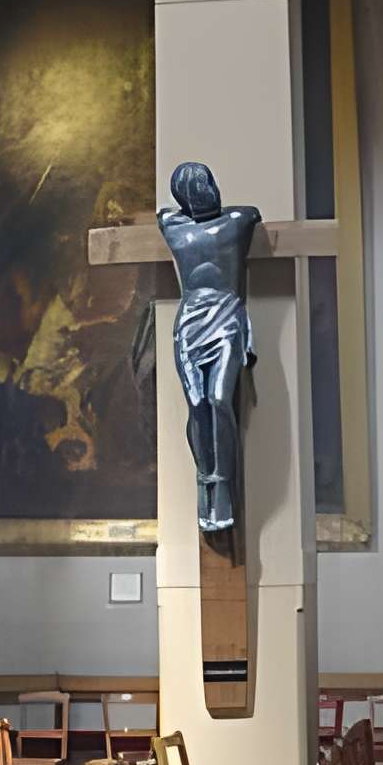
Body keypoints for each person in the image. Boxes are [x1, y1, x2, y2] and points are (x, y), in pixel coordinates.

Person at [157, 161, 259, 536]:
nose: (204, 191)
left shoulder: (237, 221)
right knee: (197, 403)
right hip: (189, 324)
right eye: (194, 187)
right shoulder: (172, 226)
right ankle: (205, 482)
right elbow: (162, 214)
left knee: (218, 400)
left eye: (205, 183)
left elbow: (253, 214)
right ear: (183, 196)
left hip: (227, 317)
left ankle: (222, 485)